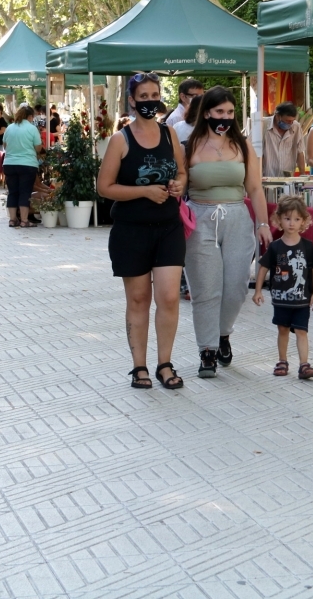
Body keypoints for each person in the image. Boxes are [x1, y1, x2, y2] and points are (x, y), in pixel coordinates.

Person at [97, 73, 187, 390]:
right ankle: (139, 367)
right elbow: (104, 187)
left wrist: (179, 184)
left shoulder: (170, 134)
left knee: (169, 297)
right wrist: (144, 192)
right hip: (131, 231)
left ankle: (165, 364)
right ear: (132, 100)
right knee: (138, 299)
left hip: (168, 227)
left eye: (155, 94)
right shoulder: (120, 140)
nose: (150, 100)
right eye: (143, 95)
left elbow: (181, 170)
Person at [185, 85, 272, 378]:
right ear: (207, 112)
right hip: (200, 218)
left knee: (235, 287)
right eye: (219, 111)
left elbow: (256, 188)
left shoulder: (243, 145)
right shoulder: (191, 144)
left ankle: (223, 334)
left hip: (236, 217)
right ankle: (207, 350)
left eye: (230, 112)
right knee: (206, 289)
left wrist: (263, 224)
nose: (225, 117)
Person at [252, 195, 313, 379]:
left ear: (304, 221)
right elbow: (263, 267)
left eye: (297, 219)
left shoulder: (307, 247)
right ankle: (282, 361)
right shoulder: (275, 247)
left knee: (301, 331)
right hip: (281, 300)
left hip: (302, 300)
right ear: (279, 219)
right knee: (282, 329)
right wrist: (258, 290)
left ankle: (304, 365)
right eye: (287, 218)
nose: (292, 223)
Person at [3, 104, 43, 227]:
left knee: (12, 192)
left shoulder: (9, 128)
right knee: (25, 192)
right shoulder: (32, 129)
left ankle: (12, 219)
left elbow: (5, 146)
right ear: (30, 116)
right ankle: (24, 220)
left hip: (9, 163)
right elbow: (38, 147)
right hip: (27, 164)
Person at [262, 101, 307, 177]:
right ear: (278, 116)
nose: (290, 124)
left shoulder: (296, 127)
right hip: (266, 177)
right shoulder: (263, 125)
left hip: (288, 178)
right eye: (287, 121)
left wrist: (302, 174)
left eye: (292, 121)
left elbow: (300, 152)